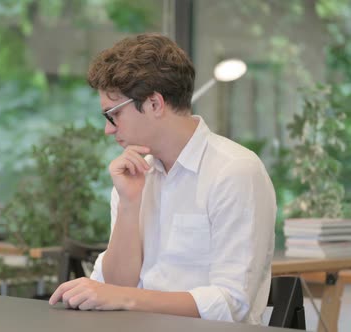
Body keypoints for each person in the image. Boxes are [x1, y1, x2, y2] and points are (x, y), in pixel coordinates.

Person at [48, 33, 276, 324]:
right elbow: (116, 286)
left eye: (112, 115)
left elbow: (231, 303)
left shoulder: (235, 171)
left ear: (154, 104)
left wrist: (124, 299)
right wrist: (130, 205)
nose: (108, 129)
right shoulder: (135, 175)